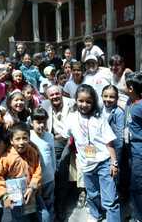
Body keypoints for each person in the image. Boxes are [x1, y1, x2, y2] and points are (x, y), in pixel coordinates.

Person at [65, 84, 121, 222]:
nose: (84, 104)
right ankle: (96, 215)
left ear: (93, 102)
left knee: (110, 200)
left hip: (104, 163)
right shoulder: (71, 118)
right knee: (93, 194)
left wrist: (114, 163)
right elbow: (65, 136)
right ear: (76, 100)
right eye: (81, 101)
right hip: (86, 164)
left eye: (88, 101)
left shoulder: (99, 118)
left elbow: (109, 143)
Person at [0, 122, 42, 222]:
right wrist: (4, 195)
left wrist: (33, 186)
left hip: (32, 193)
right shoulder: (7, 158)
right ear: (11, 140)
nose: (21, 142)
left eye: (25, 138)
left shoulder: (32, 152)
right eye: (17, 139)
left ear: (29, 138)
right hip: (16, 198)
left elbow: (38, 170)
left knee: (44, 217)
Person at [41, 85, 75, 221]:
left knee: (62, 168)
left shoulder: (71, 103)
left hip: (70, 138)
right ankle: (54, 203)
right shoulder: (44, 105)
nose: (55, 97)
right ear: (47, 97)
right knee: (52, 167)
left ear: (61, 94)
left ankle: (60, 206)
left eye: (57, 94)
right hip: (54, 138)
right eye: (52, 95)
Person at [30, 107, 56, 221]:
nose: (41, 125)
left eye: (43, 122)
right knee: (37, 207)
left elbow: (53, 156)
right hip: (35, 181)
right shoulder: (28, 136)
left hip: (49, 179)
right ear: (31, 123)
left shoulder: (49, 136)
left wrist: (53, 172)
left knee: (49, 202)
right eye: (38, 122)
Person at [124, 72, 142, 221]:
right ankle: (135, 211)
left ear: (130, 88)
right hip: (130, 150)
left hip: (139, 151)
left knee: (138, 185)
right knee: (133, 183)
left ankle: (138, 216)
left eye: (125, 85)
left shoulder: (140, 106)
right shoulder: (129, 102)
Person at [101, 85, 125, 171]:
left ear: (117, 98)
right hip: (101, 149)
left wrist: (115, 160)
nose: (108, 99)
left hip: (113, 151)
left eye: (111, 97)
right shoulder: (99, 110)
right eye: (105, 96)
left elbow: (119, 139)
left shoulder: (119, 113)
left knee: (113, 176)